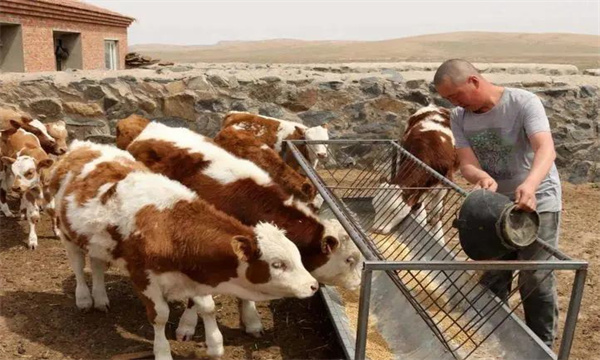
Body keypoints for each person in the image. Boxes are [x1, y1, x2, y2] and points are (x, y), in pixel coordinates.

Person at [434, 59, 561, 347]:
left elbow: (546, 148)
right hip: (494, 205)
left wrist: (529, 185)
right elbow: (466, 163)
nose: (454, 102)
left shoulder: (524, 103)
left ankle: (541, 346)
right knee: (493, 272)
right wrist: (480, 176)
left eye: (455, 95)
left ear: (474, 82)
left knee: (535, 278)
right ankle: (493, 341)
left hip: (536, 200)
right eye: (448, 98)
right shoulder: (459, 116)